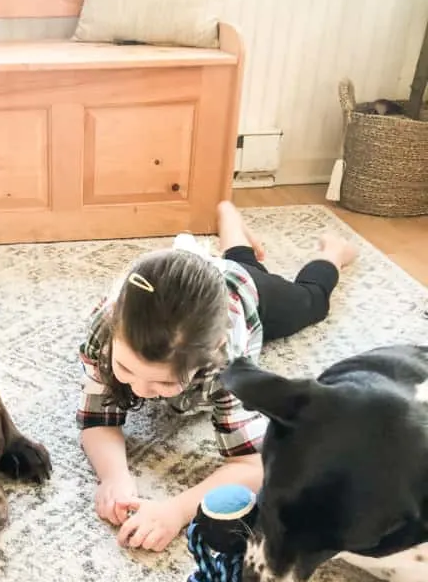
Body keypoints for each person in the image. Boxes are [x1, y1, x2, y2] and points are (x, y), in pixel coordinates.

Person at [77, 201, 358, 552]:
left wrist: (177, 511)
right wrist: (114, 476)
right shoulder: (105, 330)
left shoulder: (227, 362)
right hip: (185, 287)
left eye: (164, 383)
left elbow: (255, 463)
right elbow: (96, 419)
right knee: (241, 261)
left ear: (213, 353)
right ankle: (229, 219)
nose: (140, 391)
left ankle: (333, 252)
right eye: (126, 370)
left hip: (244, 290)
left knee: (311, 302)